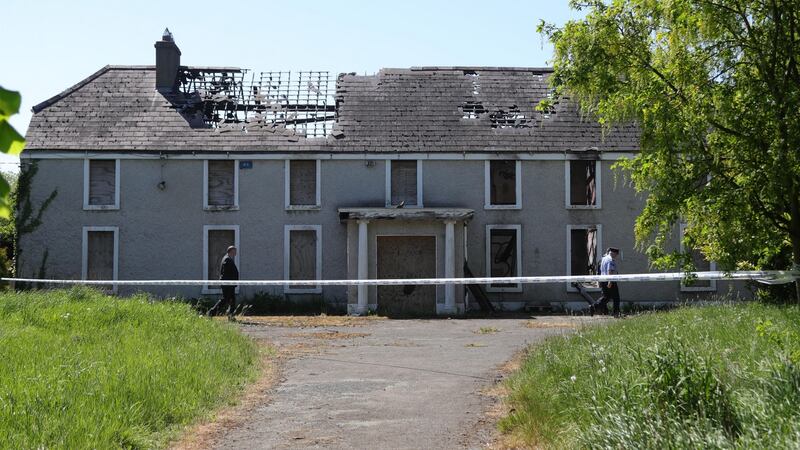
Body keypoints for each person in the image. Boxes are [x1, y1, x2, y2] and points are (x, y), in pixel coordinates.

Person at [207, 245, 239, 320]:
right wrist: (228, 282)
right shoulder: (227, 259)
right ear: (231, 251)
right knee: (225, 300)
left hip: (230, 284)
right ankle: (211, 312)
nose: (236, 253)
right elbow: (225, 273)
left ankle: (230, 315)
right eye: (235, 251)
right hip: (227, 284)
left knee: (232, 300)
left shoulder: (228, 258)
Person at [592, 247, 621, 317]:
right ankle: (616, 313)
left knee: (606, 297)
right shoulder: (610, 259)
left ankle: (594, 306)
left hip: (603, 280)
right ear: (613, 253)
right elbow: (609, 270)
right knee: (616, 297)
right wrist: (610, 281)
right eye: (616, 254)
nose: (616, 256)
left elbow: (600, 271)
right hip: (610, 280)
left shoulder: (603, 259)